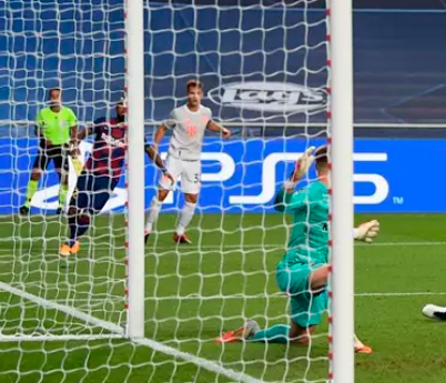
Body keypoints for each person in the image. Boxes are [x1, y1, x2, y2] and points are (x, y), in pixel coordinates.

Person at [216, 146, 379, 353]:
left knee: (299, 337)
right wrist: (294, 178)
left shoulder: (338, 196)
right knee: (337, 272)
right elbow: (281, 205)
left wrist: (356, 233)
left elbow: (328, 231)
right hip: (297, 268)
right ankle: (349, 340)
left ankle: (251, 332)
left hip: (316, 271)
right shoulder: (313, 191)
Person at [61, 97, 167, 256]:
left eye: (126, 105)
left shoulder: (132, 132)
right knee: (72, 209)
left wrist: (164, 168)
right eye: (120, 105)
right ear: (115, 107)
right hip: (88, 173)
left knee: (88, 212)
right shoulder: (103, 122)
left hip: (108, 178)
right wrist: (74, 144)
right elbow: (84, 132)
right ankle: (73, 238)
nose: (123, 108)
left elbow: (148, 150)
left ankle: (72, 241)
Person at [144, 80, 231, 243]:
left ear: (202, 95)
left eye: (198, 93)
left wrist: (222, 129)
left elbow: (208, 123)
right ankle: (146, 229)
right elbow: (163, 127)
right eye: (192, 93)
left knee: (192, 198)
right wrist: (155, 145)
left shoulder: (206, 112)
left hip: (193, 161)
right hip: (174, 158)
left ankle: (179, 232)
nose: (195, 96)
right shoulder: (178, 113)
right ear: (187, 94)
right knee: (162, 193)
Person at [21, 87, 78, 215]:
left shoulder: (68, 113)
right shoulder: (43, 113)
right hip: (46, 147)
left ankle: (61, 205)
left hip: (62, 147)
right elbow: (36, 129)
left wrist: (74, 145)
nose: (55, 99)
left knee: (64, 176)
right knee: (36, 173)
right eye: (52, 97)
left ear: (61, 98)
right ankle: (26, 204)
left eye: (57, 96)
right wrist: (43, 137)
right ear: (49, 99)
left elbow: (74, 128)